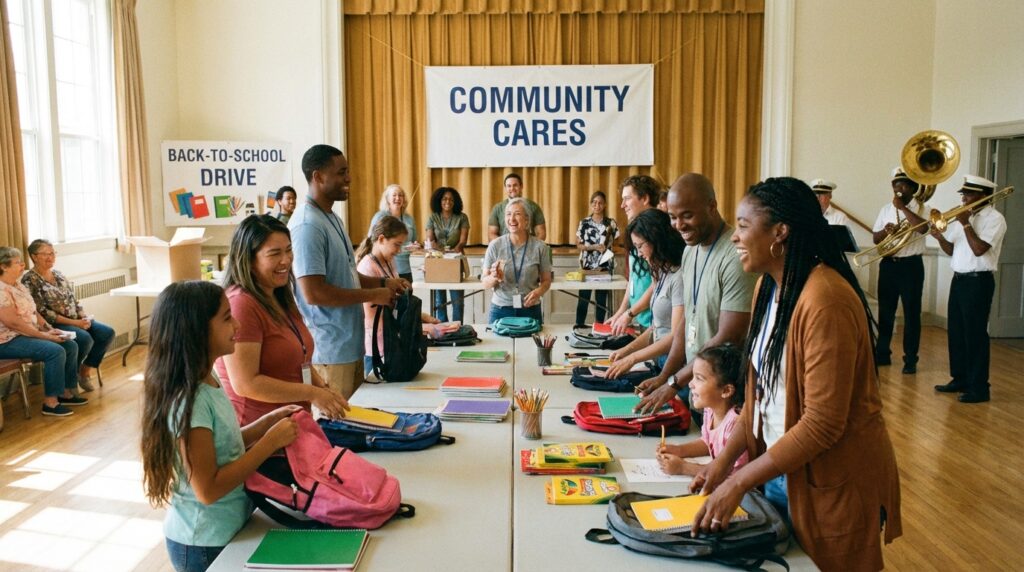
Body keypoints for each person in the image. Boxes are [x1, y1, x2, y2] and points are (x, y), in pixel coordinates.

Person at [691, 177, 901, 571]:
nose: (735, 237)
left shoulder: (826, 300)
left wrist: (740, 480)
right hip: (779, 471)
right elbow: (759, 398)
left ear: (779, 233)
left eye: (743, 225)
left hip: (832, 484)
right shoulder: (768, 289)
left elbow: (823, 424)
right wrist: (722, 464)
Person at [140, 280, 300, 572]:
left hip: (227, 528)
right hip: (202, 543)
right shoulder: (190, 401)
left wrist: (265, 424)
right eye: (227, 318)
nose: (237, 326)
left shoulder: (208, 377)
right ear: (196, 330)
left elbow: (221, 446)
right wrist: (269, 444)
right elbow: (208, 489)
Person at [289, 145, 407, 399]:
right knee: (337, 432)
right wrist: (372, 296)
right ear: (318, 176)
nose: (349, 178)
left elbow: (349, 278)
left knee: (354, 429)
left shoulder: (331, 218)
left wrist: (384, 283)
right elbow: (313, 293)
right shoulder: (307, 225)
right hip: (328, 353)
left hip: (350, 348)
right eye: (342, 172)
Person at [635, 174, 755, 417]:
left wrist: (674, 383)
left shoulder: (733, 257)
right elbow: (684, 324)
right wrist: (665, 376)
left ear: (712, 206)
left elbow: (727, 336)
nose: (679, 225)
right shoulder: (690, 252)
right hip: (696, 390)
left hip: (726, 398)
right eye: (672, 217)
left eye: (687, 215)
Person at [214, 215, 349, 425]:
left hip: (291, 425)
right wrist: (311, 393)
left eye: (288, 250)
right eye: (275, 253)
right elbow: (246, 383)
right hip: (258, 434)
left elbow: (298, 359)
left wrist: (323, 390)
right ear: (248, 260)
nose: (286, 260)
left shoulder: (277, 294)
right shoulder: (241, 304)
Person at [930, 175, 1007, 404]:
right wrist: (938, 236)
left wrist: (965, 223)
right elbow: (951, 250)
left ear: (983, 196)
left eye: (969, 194)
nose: (964, 198)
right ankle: (960, 379)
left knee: (974, 335)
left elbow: (979, 249)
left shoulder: (995, 219)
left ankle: (979, 388)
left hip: (978, 282)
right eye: (963, 194)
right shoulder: (963, 217)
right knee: (956, 332)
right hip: (959, 280)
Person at [0, 247, 85, 417]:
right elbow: (13, 323)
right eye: (18, 263)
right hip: (7, 340)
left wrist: (50, 328)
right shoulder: (1, 290)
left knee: (70, 345)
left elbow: (34, 312)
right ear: (3, 266)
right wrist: (44, 336)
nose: (23, 265)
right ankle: (50, 403)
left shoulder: (17, 285)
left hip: (25, 334)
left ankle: (65, 393)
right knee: (55, 351)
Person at [21, 238, 115, 391]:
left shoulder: (58, 275)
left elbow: (73, 298)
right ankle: (68, 381)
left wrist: (82, 316)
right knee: (84, 338)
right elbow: (43, 312)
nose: (50, 257)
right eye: (45, 254)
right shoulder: (29, 280)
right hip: (54, 323)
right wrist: (76, 324)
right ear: (34, 256)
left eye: (52, 253)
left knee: (106, 333)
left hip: (75, 319)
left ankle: (84, 370)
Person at [602, 209, 685, 379]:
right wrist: (625, 352)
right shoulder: (661, 273)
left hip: (675, 368)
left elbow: (675, 337)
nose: (639, 253)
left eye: (640, 246)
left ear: (657, 240)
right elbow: (657, 329)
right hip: (660, 360)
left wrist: (632, 358)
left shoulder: (679, 278)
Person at [356, 215, 439, 377]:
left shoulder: (389, 260)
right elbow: (380, 309)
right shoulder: (367, 267)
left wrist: (419, 315)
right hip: (378, 346)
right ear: (381, 239)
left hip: (391, 341)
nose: (399, 251)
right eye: (397, 245)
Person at [655, 343, 749, 476]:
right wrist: (679, 450)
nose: (690, 384)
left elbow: (735, 475)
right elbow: (707, 442)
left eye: (699, 378)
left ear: (726, 390)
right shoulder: (710, 410)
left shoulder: (735, 425)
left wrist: (684, 468)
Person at [871, 168, 932, 373]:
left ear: (913, 188)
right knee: (886, 311)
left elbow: (923, 229)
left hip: (911, 266)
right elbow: (875, 238)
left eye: (903, 186)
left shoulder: (924, 207)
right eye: (895, 186)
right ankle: (882, 354)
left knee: (911, 314)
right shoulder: (885, 209)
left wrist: (903, 209)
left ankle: (910, 360)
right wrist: (886, 230)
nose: (898, 190)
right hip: (889, 264)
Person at [481, 198, 552, 323]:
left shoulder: (540, 247)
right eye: (508, 214)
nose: (512, 219)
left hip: (530, 308)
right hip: (501, 309)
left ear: (526, 220)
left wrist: (538, 292)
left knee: (531, 343)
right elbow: (485, 283)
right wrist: (494, 277)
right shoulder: (495, 245)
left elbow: (546, 281)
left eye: (517, 214)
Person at [606, 175, 661, 334]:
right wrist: (621, 313)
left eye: (627, 199)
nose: (622, 205)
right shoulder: (636, 230)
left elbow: (658, 282)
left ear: (644, 198)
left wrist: (629, 314)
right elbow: (633, 280)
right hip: (641, 317)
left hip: (656, 319)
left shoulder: (656, 231)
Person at [424, 186, 470, 322]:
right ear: (439, 201)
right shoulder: (433, 217)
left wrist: (454, 250)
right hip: (438, 262)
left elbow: (463, 241)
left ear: (455, 202)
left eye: (451, 199)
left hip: (455, 260)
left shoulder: (462, 217)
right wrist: (439, 250)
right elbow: (430, 239)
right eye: (444, 199)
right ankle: (442, 330)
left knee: (457, 300)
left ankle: (457, 328)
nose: (448, 201)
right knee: (440, 301)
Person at [574, 190, 620, 326]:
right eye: (594, 202)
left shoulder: (611, 223)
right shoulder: (584, 223)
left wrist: (607, 249)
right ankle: (579, 325)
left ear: (605, 205)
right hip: (586, 266)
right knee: (584, 298)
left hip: (603, 266)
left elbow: (616, 243)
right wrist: (593, 247)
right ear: (591, 204)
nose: (597, 205)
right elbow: (579, 245)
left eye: (600, 203)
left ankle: (599, 326)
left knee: (601, 299)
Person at [369, 184, 418, 282]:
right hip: (385, 268)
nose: (398, 198)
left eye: (400, 195)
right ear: (387, 199)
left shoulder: (409, 218)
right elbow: (371, 240)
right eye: (394, 195)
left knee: (407, 296)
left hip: (406, 268)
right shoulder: (380, 217)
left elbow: (414, 241)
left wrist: (415, 246)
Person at [487, 173, 547, 241]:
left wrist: (531, 248)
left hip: (528, 249)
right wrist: (503, 247)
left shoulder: (534, 207)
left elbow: (541, 233)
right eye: (509, 186)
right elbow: (491, 234)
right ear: (505, 188)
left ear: (521, 186)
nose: (512, 188)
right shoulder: (497, 208)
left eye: (515, 185)